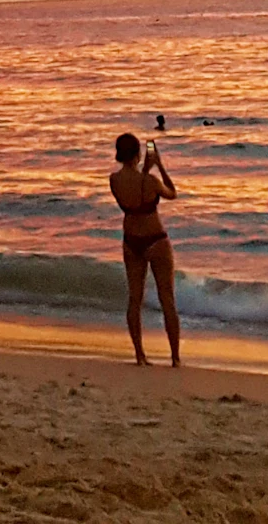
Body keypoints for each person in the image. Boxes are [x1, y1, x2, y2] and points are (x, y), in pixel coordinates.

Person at [109, 133, 180, 366]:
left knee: (134, 299)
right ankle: (175, 357)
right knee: (167, 298)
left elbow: (133, 201)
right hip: (155, 239)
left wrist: (145, 172)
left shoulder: (114, 180)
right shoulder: (150, 181)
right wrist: (158, 166)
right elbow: (172, 193)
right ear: (138, 154)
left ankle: (140, 355)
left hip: (131, 240)